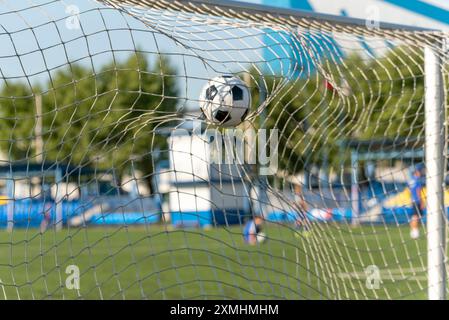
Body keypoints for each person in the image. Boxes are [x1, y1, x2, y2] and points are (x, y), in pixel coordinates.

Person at [408, 164, 425, 239]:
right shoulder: (418, 179)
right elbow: (418, 190)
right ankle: (415, 232)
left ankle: (413, 231)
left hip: (413, 200)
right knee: (416, 216)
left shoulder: (411, 179)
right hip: (417, 200)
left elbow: (410, 190)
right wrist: (421, 201)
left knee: (414, 216)